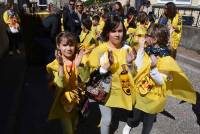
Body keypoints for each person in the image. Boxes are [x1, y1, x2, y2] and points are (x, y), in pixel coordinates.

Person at [123, 24, 197, 134]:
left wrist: (153, 68)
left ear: (155, 39)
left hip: (154, 97)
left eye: (147, 35)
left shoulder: (166, 58)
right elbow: (137, 70)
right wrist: (133, 59)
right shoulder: (146, 50)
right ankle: (129, 125)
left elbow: (161, 81)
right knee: (135, 115)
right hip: (140, 91)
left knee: (149, 121)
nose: (144, 37)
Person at [82, 14, 143, 134]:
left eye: (120, 31)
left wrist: (130, 64)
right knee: (107, 120)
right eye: (113, 31)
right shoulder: (100, 50)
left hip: (121, 91)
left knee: (112, 112)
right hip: (104, 91)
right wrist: (104, 68)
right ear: (107, 32)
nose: (117, 34)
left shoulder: (128, 49)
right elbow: (89, 73)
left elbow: (135, 74)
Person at [46, 32, 84, 134]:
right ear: (58, 46)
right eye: (65, 45)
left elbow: (85, 80)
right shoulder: (53, 65)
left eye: (71, 45)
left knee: (75, 124)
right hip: (62, 102)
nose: (68, 48)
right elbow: (60, 84)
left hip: (76, 100)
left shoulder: (78, 59)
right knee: (68, 130)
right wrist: (61, 66)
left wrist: (79, 66)